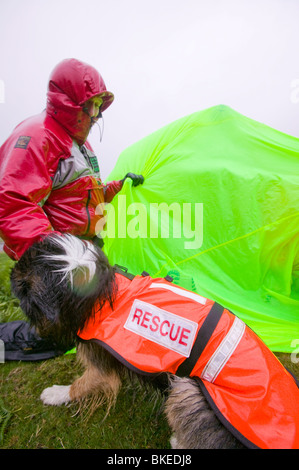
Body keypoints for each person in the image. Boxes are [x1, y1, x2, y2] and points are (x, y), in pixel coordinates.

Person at [0, 58, 144, 261]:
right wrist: (57, 258)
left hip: (85, 253)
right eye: (92, 105)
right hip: (62, 263)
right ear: (68, 103)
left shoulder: (81, 145)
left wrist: (119, 186)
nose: (96, 116)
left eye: (99, 107)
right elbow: (14, 204)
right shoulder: (38, 136)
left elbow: (84, 194)